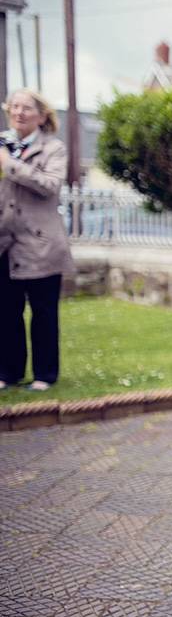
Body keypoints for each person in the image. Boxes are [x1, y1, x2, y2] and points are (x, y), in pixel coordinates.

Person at [0, 89, 73, 392]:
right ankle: (9, 372)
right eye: (14, 107)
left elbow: (49, 185)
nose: (19, 112)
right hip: (6, 244)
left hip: (42, 245)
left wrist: (9, 163)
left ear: (42, 115)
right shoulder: (3, 144)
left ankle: (45, 375)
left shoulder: (53, 149)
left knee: (43, 313)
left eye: (27, 108)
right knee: (6, 312)